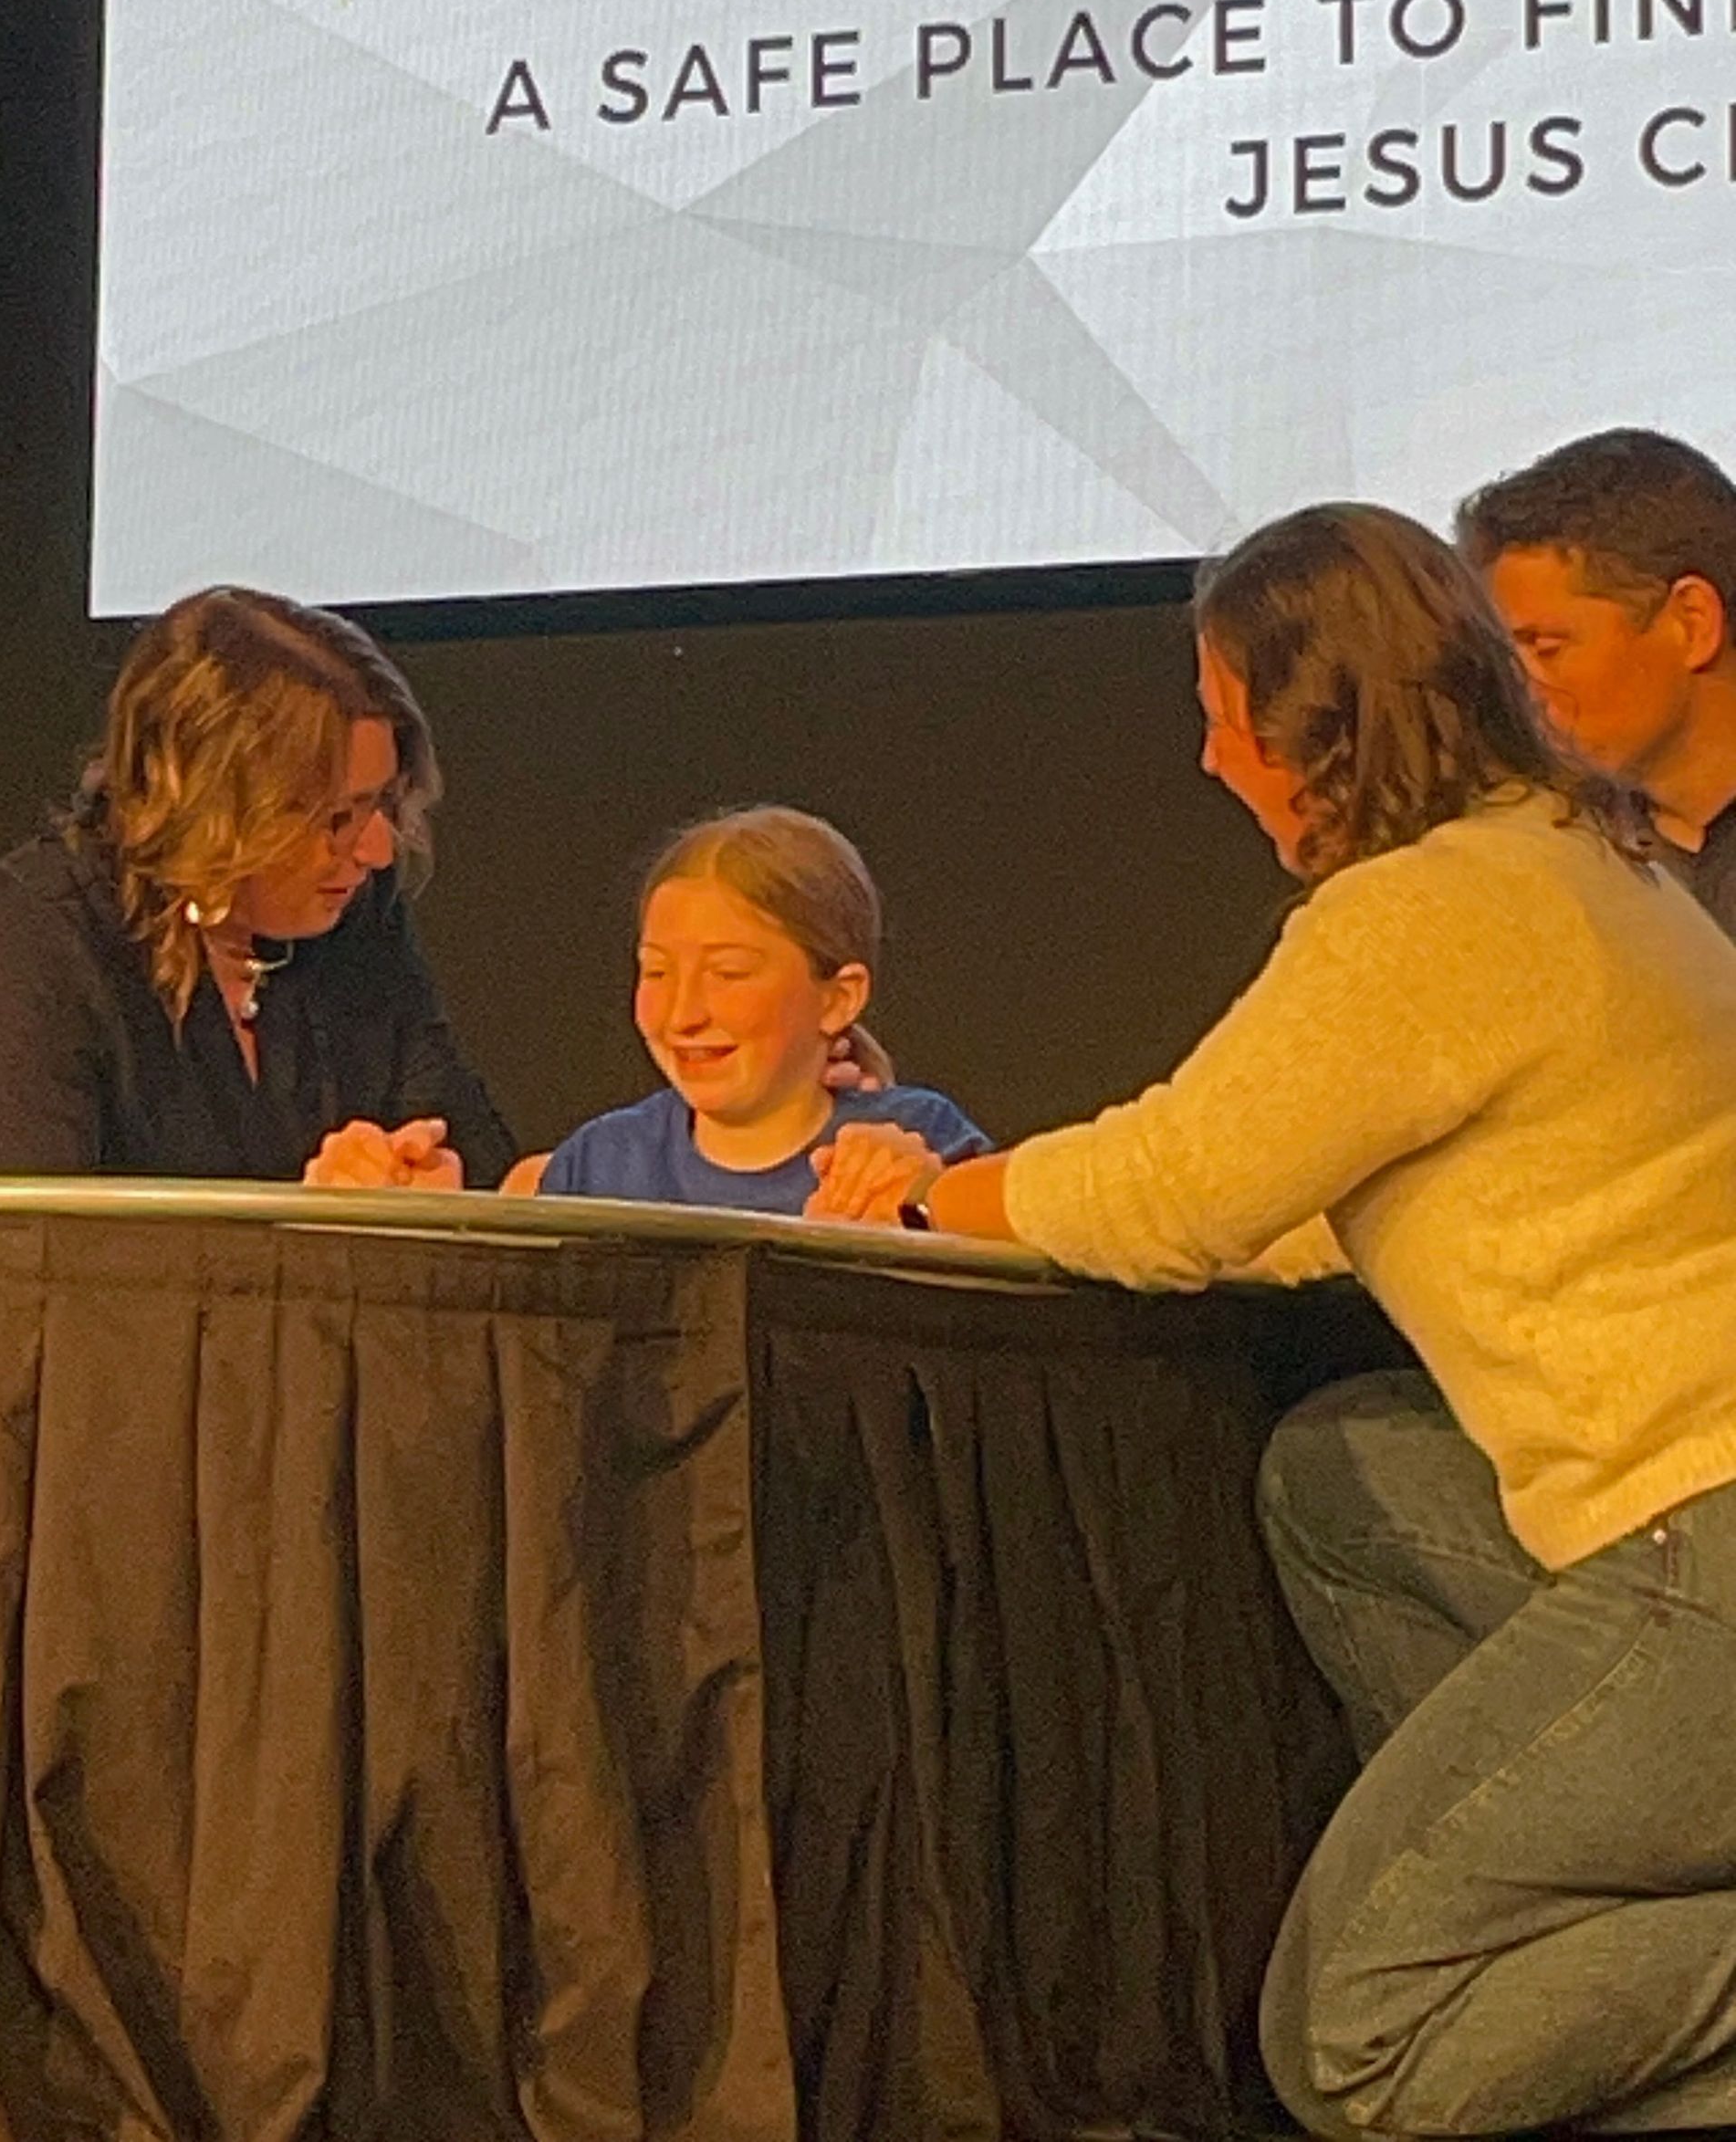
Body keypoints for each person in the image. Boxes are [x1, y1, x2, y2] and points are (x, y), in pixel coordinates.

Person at [813, 504, 1736, 2135]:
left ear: (1314, 726)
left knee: (1356, 2042)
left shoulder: (1433, 909)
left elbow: (1175, 1184)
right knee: (1338, 1474)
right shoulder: (1586, 858)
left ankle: (1511, 1949)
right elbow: (1321, 1196)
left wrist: (936, 1193)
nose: (1208, 758)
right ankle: (1535, 1902)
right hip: (1682, 1523)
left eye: (1222, 715)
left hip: (1701, 1541)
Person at [0, 586, 513, 1187]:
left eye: (384, 803)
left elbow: (475, 1150)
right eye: (336, 817)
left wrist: (432, 1176)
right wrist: (311, 1223)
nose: (378, 850)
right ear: (213, 808)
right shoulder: (31, 940)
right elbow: (32, 1235)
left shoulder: (360, 918)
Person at [530, 805, 987, 1213]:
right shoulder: (599, 1163)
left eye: (728, 973)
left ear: (839, 998)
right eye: (657, 972)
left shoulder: (922, 1139)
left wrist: (926, 1203)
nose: (683, 1015)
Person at [1458, 424, 1736, 934]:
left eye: (1546, 648)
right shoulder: (1558, 860)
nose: (1520, 691)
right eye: (1506, 658)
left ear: (1693, 623)